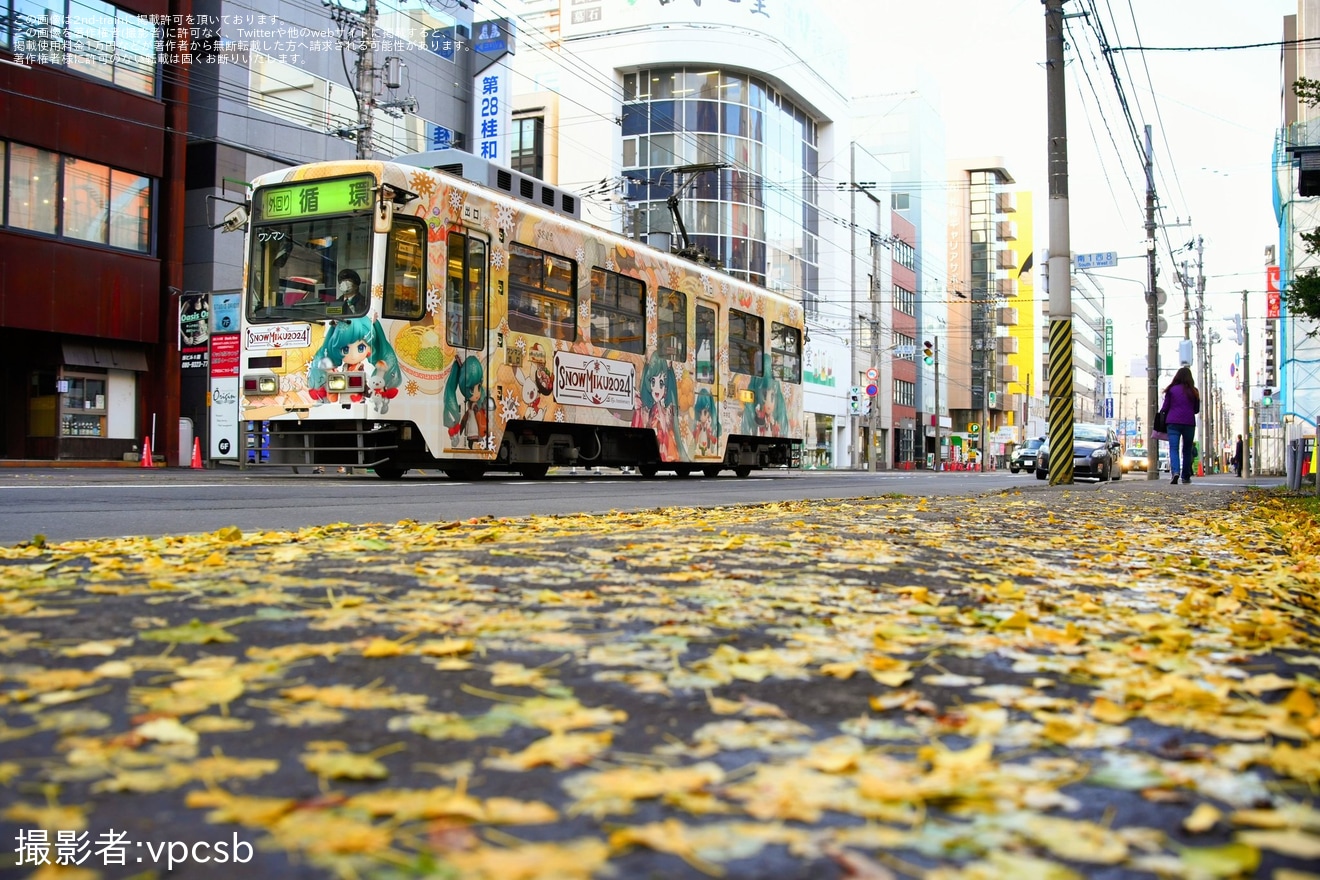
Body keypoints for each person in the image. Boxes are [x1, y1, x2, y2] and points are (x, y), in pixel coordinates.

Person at [1160, 365, 1200, 485]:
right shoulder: (1194, 391)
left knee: (1174, 448)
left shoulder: (1172, 390)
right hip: (1189, 423)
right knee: (1187, 450)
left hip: (1173, 422)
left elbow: (1165, 408)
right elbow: (1196, 410)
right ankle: (1186, 476)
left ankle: (1175, 472)